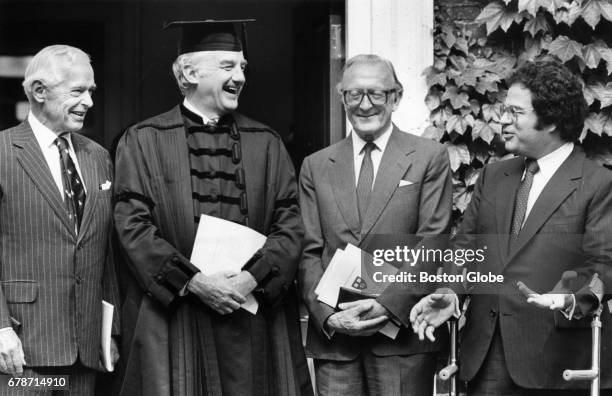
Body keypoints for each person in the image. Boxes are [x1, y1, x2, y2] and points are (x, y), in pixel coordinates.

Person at [113, 20, 312, 396]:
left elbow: (290, 224)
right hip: (176, 314)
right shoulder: (142, 141)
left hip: (251, 314)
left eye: (242, 68)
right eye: (228, 67)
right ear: (189, 72)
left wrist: (251, 278)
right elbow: (132, 225)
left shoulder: (266, 143)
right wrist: (194, 282)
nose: (240, 77)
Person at [410, 59, 612, 395]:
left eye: (516, 113)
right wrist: (450, 292)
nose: (503, 120)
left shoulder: (598, 184)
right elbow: (466, 249)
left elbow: (604, 265)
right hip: (486, 357)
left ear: (550, 121)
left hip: (558, 363)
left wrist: (569, 297)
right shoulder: (494, 175)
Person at [298, 54, 453, 396]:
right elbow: (308, 251)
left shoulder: (429, 157)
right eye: (354, 95)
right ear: (342, 99)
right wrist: (327, 316)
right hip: (337, 341)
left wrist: (387, 303)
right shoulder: (316, 165)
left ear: (395, 97)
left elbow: (434, 240)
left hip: (402, 337)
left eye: (376, 94)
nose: (365, 105)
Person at [0, 45, 120, 395]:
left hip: (84, 353)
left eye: (91, 92)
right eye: (78, 91)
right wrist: (0, 329)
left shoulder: (98, 157)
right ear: (39, 92)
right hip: (21, 350)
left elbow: (106, 249)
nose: (89, 102)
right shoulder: (3, 153)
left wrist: (110, 331)